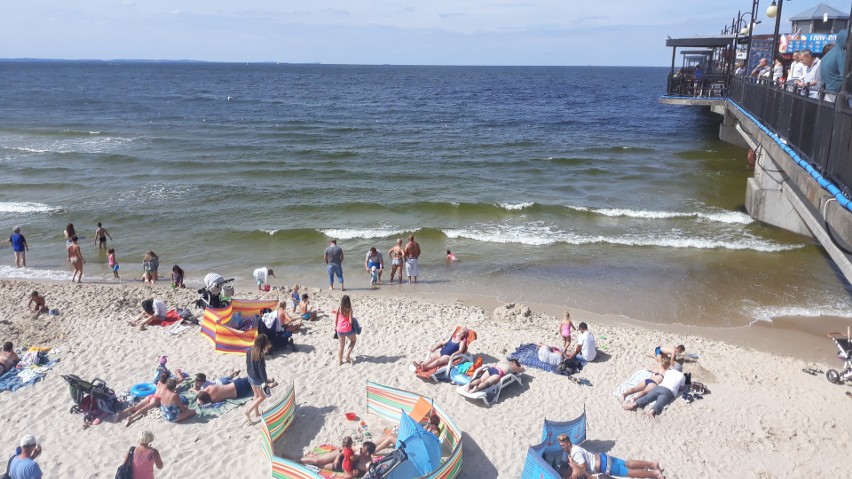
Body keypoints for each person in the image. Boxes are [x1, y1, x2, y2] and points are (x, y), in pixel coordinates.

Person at [557, 434, 664, 479]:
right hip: (603, 457)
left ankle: (655, 474)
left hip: (603, 466)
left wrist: (574, 464)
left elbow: (583, 468)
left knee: (629, 472)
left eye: (562, 445)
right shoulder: (575, 447)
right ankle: (652, 464)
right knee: (628, 463)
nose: (562, 447)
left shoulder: (575, 453)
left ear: (568, 443)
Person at [300, 437, 376, 478]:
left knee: (318, 465)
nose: (361, 448)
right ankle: (296, 460)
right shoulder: (360, 451)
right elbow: (346, 451)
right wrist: (337, 457)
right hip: (341, 456)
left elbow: (367, 476)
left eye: (363, 448)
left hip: (340, 467)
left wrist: (355, 474)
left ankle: (306, 459)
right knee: (317, 460)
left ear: (367, 453)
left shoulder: (368, 465)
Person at [245, 334, 274, 421]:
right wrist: (266, 381)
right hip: (257, 378)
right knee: (262, 397)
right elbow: (262, 371)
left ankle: (256, 412)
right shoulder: (260, 355)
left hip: (250, 375)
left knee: (256, 395)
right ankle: (248, 411)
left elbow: (247, 363)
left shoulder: (249, 350)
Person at [196, 376, 272, 404]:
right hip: (236, 385)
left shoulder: (213, 400)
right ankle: (267, 381)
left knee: (252, 387)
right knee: (252, 379)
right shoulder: (210, 387)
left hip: (238, 394)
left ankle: (267, 384)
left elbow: (201, 401)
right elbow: (200, 392)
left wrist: (200, 401)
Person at [820, 30, 848, 102]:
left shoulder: (827, 55)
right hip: (837, 95)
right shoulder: (841, 54)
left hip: (827, 93)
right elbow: (845, 75)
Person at [334, 295, 357, 366]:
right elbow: (350, 321)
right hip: (347, 329)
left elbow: (336, 319)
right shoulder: (349, 309)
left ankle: (340, 362)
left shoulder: (339, 308)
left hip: (339, 329)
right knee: (353, 341)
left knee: (341, 345)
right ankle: (347, 355)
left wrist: (336, 327)